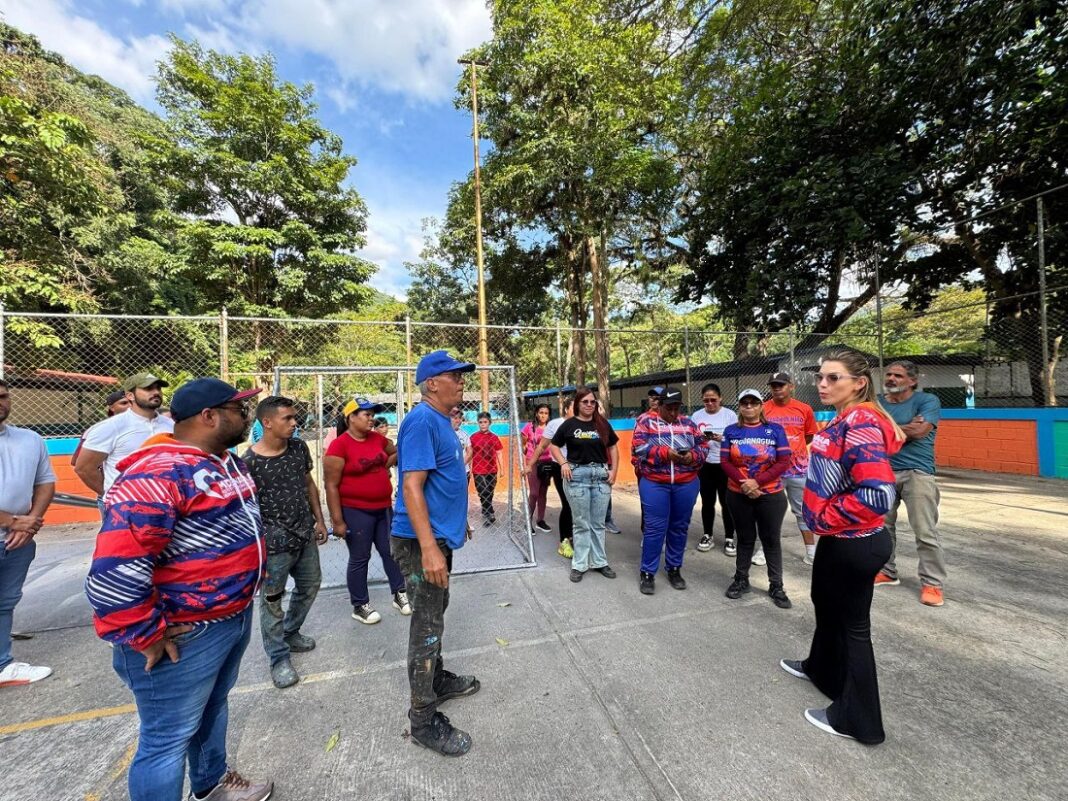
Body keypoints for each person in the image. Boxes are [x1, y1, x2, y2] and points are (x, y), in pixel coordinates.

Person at [85, 377, 272, 801]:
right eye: (238, 409)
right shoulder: (158, 470)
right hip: (183, 631)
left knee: (211, 710)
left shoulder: (222, 460)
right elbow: (115, 569)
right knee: (165, 741)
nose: (246, 417)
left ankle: (211, 784)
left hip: (228, 617)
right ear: (209, 416)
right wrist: (144, 633)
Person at [780, 348, 903, 743]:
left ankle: (859, 721)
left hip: (855, 542)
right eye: (821, 377)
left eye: (834, 378)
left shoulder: (863, 421)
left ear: (859, 383)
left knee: (854, 629)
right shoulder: (845, 418)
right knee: (824, 602)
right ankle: (822, 670)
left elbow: (879, 495)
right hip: (840, 541)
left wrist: (822, 518)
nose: (823, 384)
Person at [391, 351, 481, 757]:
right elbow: (412, 487)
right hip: (417, 542)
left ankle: (437, 680)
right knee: (426, 628)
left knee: (436, 616)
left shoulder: (441, 422)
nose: (462, 381)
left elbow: (443, 482)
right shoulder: (422, 420)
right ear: (432, 384)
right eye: (455, 376)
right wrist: (429, 548)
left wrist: (452, 524)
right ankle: (423, 720)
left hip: (436, 538)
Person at [242, 396, 328, 689]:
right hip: (274, 545)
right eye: (288, 419)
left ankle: (291, 632)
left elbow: (308, 484)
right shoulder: (248, 462)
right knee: (271, 602)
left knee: (310, 585)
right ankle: (278, 658)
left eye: (295, 418)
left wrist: (319, 520)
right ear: (267, 422)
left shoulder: (298, 448)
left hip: (304, 535)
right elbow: (246, 510)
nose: (295, 423)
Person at [324, 398, 410, 625]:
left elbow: (396, 450)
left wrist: (383, 465)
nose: (371, 418)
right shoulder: (339, 445)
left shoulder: (377, 439)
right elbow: (331, 485)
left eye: (372, 414)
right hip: (355, 511)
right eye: (366, 415)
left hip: (382, 508)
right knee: (360, 557)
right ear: (351, 417)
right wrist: (337, 520)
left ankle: (399, 593)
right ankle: (360, 604)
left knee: (391, 552)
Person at [877, 360, 947, 606]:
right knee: (882, 527)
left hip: (918, 472)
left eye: (898, 375)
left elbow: (920, 431)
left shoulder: (927, 401)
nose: (891, 379)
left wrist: (885, 429)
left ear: (912, 381)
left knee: (925, 531)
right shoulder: (878, 402)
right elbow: (867, 431)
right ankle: (886, 571)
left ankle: (932, 584)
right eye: (889, 374)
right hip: (882, 471)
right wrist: (904, 428)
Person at [0, 380, 56, 687]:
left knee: (5, 602)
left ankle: (2, 665)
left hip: (17, 539)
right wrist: (11, 520)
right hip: (13, 528)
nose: (1, 401)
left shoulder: (29, 439)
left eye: (4, 396)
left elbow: (45, 483)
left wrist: (31, 521)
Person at [720, 388, 793, 609]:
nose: (749, 407)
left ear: (761, 406)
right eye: (745, 403)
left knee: (771, 540)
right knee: (745, 538)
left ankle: (776, 585)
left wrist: (757, 482)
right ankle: (741, 580)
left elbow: (784, 461)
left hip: (769, 494)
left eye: (754, 403)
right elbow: (725, 462)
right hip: (738, 493)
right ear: (739, 407)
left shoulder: (775, 430)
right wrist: (745, 484)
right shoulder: (731, 431)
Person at [631, 387, 707, 595]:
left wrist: (693, 456)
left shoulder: (689, 424)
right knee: (655, 528)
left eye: (676, 408)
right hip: (655, 483)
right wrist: (665, 453)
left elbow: (704, 446)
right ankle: (647, 572)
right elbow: (637, 448)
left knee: (679, 526)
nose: (673, 413)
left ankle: (674, 568)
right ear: (660, 405)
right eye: (669, 408)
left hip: (686, 482)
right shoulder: (646, 422)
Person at [75, 373, 175, 518]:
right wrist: (112, 494)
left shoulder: (171, 425)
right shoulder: (110, 427)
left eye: (158, 388)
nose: (155, 392)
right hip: (124, 508)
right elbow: (84, 468)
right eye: (148, 389)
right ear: (130, 395)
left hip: (166, 505)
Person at [550, 385, 619, 583]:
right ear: (578, 404)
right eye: (585, 402)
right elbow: (554, 445)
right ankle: (579, 564)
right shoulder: (569, 424)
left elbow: (613, 447)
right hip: (576, 476)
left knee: (598, 523)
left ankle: (599, 562)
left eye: (592, 402)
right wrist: (563, 463)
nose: (589, 405)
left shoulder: (602, 424)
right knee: (581, 523)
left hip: (600, 476)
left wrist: (613, 471)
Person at [763, 372, 819, 564]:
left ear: (791, 386)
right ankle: (764, 549)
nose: (777, 388)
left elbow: (809, 436)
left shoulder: (804, 409)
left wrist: (794, 449)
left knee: (803, 510)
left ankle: (811, 551)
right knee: (768, 510)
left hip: (798, 469)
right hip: (771, 469)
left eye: (781, 384)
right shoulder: (763, 409)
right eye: (774, 385)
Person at [690, 383, 737, 555]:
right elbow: (691, 438)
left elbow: (736, 440)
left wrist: (720, 438)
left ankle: (729, 538)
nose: (710, 404)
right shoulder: (696, 416)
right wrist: (700, 439)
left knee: (727, 503)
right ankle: (707, 534)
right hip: (705, 464)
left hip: (725, 464)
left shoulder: (729, 415)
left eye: (713, 400)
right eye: (706, 401)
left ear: (720, 398)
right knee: (707, 502)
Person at [528, 398, 575, 557]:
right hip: (559, 467)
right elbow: (541, 446)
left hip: (580, 469)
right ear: (567, 408)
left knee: (578, 506)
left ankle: (575, 537)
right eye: (575, 406)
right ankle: (565, 540)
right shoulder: (555, 425)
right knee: (566, 503)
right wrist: (529, 464)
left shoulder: (586, 423)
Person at [522, 404, 553, 533]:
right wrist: (527, 457)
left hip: (547, 463)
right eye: (541, 412)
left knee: (543, 493)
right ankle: (527, 522)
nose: (543, 415)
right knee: (534, 493)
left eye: (546, 413)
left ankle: (540, 520)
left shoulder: (551, 428)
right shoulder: (530, 427)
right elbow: (522, 442)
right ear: (536, 413)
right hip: (533, 463)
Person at [470, 411, 503, 526]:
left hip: (492, 469)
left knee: (490, 492)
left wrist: (502, 469)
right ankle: (490, 514)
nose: (483, 424)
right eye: (480, 422)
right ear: (478, 423)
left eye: (485, 422)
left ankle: (485, 509)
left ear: (489, 423)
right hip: (478, 470)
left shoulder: (494, 438)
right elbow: (470, 454)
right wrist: (469, 467)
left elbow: (499, 453)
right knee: (483, 492)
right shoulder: (473, 437)